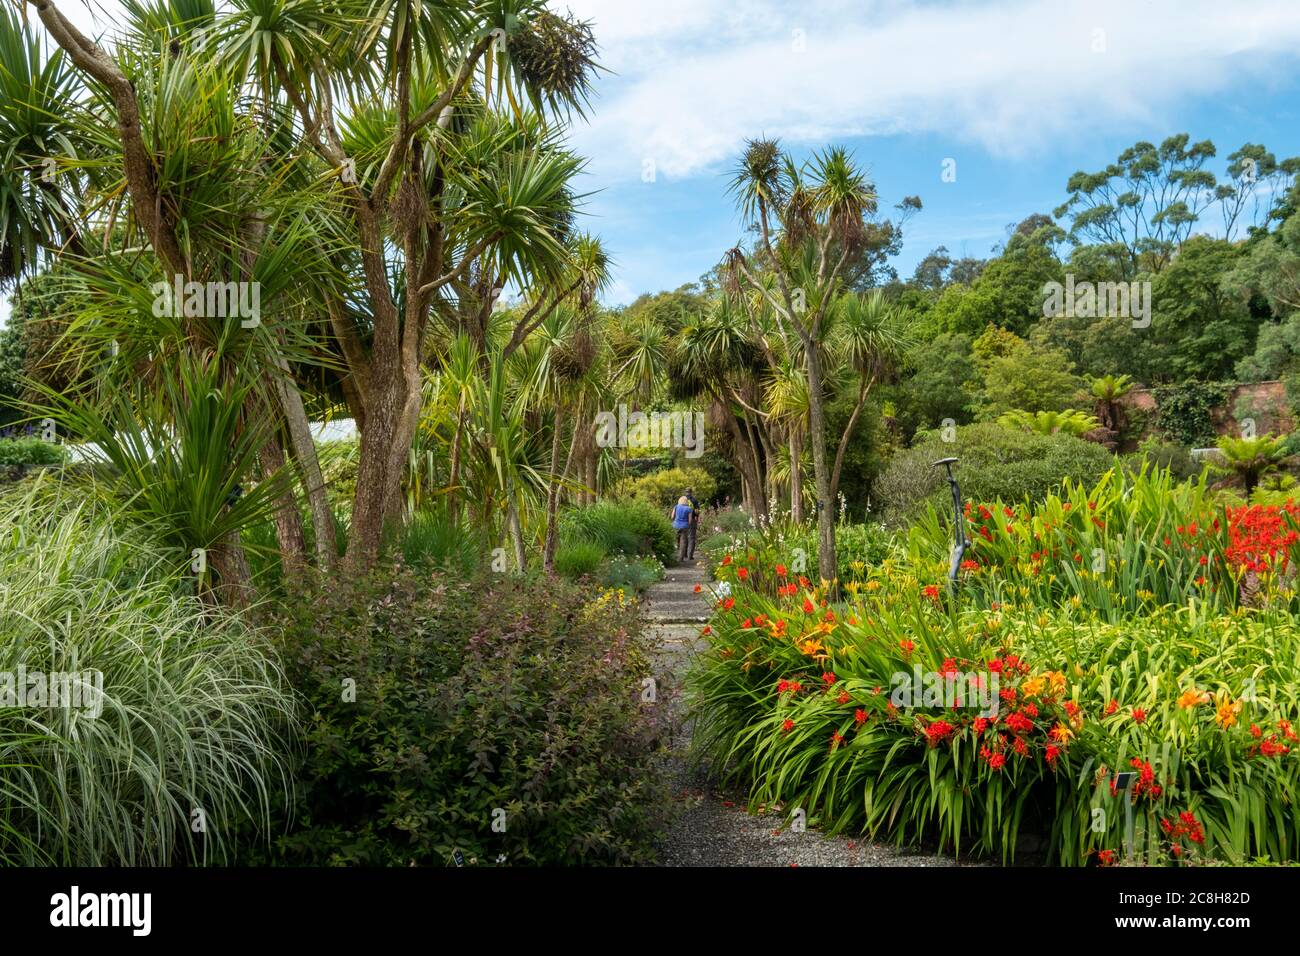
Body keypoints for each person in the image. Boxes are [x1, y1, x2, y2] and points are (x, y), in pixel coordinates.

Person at [670, 495, 693, 562]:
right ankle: (680, 558)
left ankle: (673, 556)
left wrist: (675, 521)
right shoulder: (689, 509)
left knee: (675, 540)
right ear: (686, 502)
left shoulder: (676, 507)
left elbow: (672, 517)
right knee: (683, 542)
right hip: (684, 527)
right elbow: (690, 520)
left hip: (675, 526)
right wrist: (688, 525)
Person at [685, 487, 700, 560]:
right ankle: (689, 555)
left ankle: (683, 554)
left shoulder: (682, 500)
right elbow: (697, 511)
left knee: (684, 537)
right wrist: (697, 516)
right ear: (691, 492)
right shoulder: (694, 500)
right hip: (692, 520)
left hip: (683, 520)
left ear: (686, 492)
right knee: (691, 537)